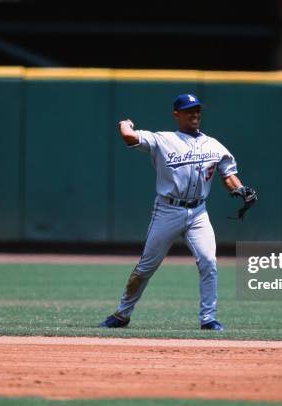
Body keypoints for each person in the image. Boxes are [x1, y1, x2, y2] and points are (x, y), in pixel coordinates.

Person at [99, 93, 256, 331]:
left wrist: (241, 189)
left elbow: (228, 174)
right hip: (167, 211)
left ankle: (209, 319)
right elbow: (128, 136)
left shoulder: (214, 145)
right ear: (177, 114)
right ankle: (122, 314)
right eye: (189, 110)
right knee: (146, 267)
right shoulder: (163, 140)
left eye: (197, 110)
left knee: (209, 262)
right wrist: (124, 123)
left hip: (199, 213)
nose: (195, 114)